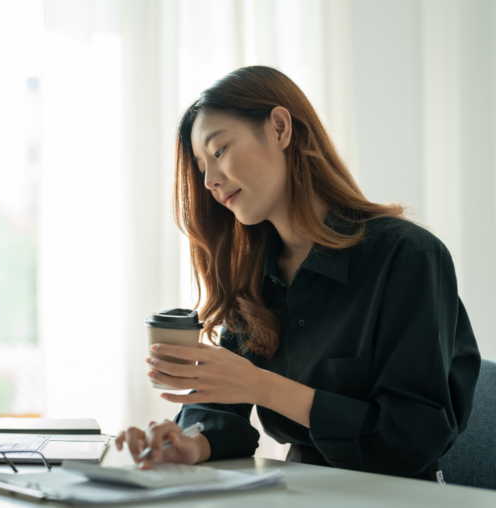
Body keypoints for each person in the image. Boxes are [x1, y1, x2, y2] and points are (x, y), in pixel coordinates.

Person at [115, 66, 481, 482]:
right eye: (201, 168)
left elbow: (411, 437)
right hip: (299, 489)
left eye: (217, 152)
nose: (210, 181)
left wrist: (261, 386)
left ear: (279, 128)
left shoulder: (406, 257)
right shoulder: (252, 276)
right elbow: (223, 409)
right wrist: (189, 442)